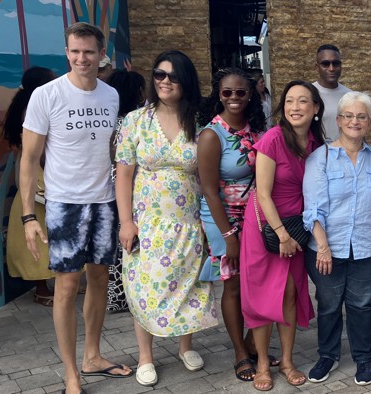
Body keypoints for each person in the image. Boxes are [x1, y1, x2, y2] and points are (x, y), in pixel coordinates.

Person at [20, 23, 132, 394]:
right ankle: (71, 372)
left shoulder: (111, 95)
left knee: (99, 278)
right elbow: (29, 158)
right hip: (64, 204)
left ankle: (94, 356)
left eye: (89, 52)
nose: (82, 58)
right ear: (66, 52)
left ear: (102, 54)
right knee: (67, 286)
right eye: (75, 51)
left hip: (104, 202)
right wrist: (28, 217)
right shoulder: (46, 95)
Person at [115, 50, 219, 387]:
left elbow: (208, 178)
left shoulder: (200, 121)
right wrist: (126, 222)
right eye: (159, 74)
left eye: (173, 76)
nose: (165, 81)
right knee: (144, 286)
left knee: (189, 285)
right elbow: (123, 176)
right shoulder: (135, 121)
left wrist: (210, 224)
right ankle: (146, 355)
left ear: (186, 81)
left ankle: (185, 345)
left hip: (189, 222)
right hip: (147, 223)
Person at [240, 80, 323, 391]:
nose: (295, 107)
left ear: (315, 109)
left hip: (296, 228)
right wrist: (281, 234)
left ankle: (287, 360)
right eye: (289, 101)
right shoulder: (274, 139)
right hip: (266, 227)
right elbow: (262, 193)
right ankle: (262, 361)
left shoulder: (316, 142)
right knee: (261, 297)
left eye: (303, 102)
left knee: (290, 292)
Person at [302, 91, 371, 387]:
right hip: (327, 247)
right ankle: (328, 355)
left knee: (362, 305)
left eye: (361, 116)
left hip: (367, 245)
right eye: (348, 115)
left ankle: (363, 358)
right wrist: (323, 246)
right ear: (338, 120)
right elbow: (312, 208)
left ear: (369, 121)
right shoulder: (320, 157)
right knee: (329, 303)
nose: (354, 121)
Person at [197, 67, 269, 383]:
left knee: (254, 281)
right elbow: (210, 190)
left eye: (240, 92)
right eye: (227, 92)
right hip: (221, 217)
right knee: (232, 284)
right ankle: (240, 353)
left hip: (251, 214)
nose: (234, 98)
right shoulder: (212, 134)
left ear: (250, 93)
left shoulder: (256, 129)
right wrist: (229, 236)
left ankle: (255, 344)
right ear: (219, 95)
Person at [4, 66, 57, 307]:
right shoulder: (33, 109)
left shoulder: (21, 106)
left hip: (31, 174)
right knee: (43, 232)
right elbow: (39, 149)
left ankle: (47, 282)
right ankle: (42, 286)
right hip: (40, 176)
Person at [104, 69, 146, 313]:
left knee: (117, 245)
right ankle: (128, 295)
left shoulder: (111, 121)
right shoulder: (135, 122)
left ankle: (117, 296)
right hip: (130, 186)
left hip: (109, 186)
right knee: (130, 244)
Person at [313, 44, 351, 140]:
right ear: (317, 67)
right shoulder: (309, 93)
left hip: (345, 153)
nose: (331, 68)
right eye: (325, 64)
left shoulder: (350, 96)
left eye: (336, 63)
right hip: (316, 152)